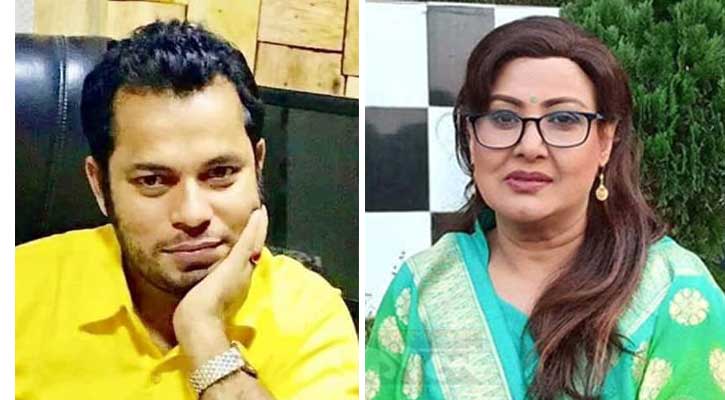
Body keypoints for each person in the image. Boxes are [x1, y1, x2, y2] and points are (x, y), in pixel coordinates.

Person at [365, 16, 725, 400]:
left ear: (606, 141)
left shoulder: (674, 292)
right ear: (471, 136)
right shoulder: (423, 286)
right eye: (504, 118)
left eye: (563, 119)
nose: (529, 147)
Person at [16, 20, 358, 399]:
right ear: (99, 185)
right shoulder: (18, 288)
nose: (193, 215)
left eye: (221, 173)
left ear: (258, 166)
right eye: (153, 180)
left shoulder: (308, 314)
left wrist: (203, 332)